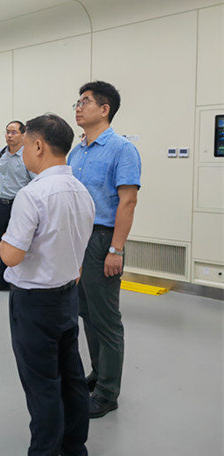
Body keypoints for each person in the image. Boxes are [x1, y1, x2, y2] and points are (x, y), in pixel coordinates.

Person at [0, 114, 95, 456]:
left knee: (42, 384)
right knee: (71, 376)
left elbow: (11, 255)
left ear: (38, 146)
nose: (21, 151)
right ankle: (74, 449)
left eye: (24, 145)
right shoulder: (82, 191)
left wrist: (3, 241)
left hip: (34, 304)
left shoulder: (32, 194)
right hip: (67, 295)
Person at [68, 81, 141, 418]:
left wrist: (116, 249)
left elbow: (128, 202)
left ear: (104, 109)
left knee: (106, 318)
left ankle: (109, 393)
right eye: (77, 102)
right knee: (86, 312)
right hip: (78, 238)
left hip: (102, 239)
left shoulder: (122, 149)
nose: (78, 107)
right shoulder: (77, 152)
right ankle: (98, 373)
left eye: (85, 101)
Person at [0, 120, 35, 292]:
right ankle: (3, 280)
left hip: (18, 206)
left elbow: (34, 182)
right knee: (2, 243)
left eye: (13, 132)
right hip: (1, 204)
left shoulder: (27, 156)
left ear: (23, 135)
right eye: (7, 132)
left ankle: (19, 281)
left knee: (18, 244)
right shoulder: (2, 153)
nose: (9, 135)